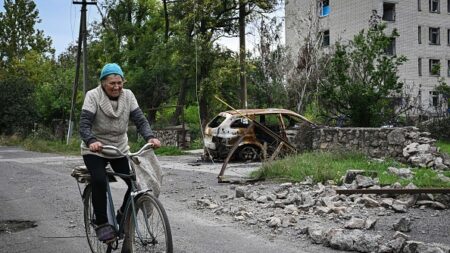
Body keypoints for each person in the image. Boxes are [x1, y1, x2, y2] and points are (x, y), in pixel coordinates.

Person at [79, 63, 161, 242]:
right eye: (112, 83)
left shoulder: (128, 95)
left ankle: (123, 216)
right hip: (96, 149)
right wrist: (92, 141)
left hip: (119, 148)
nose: (116, 87)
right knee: (100, 180)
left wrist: (150, 137)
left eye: (119, 82)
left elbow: (140, 119)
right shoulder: (93, 96)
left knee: (135, 183)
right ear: (102, 83)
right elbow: (84, 125)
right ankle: (102, 224)